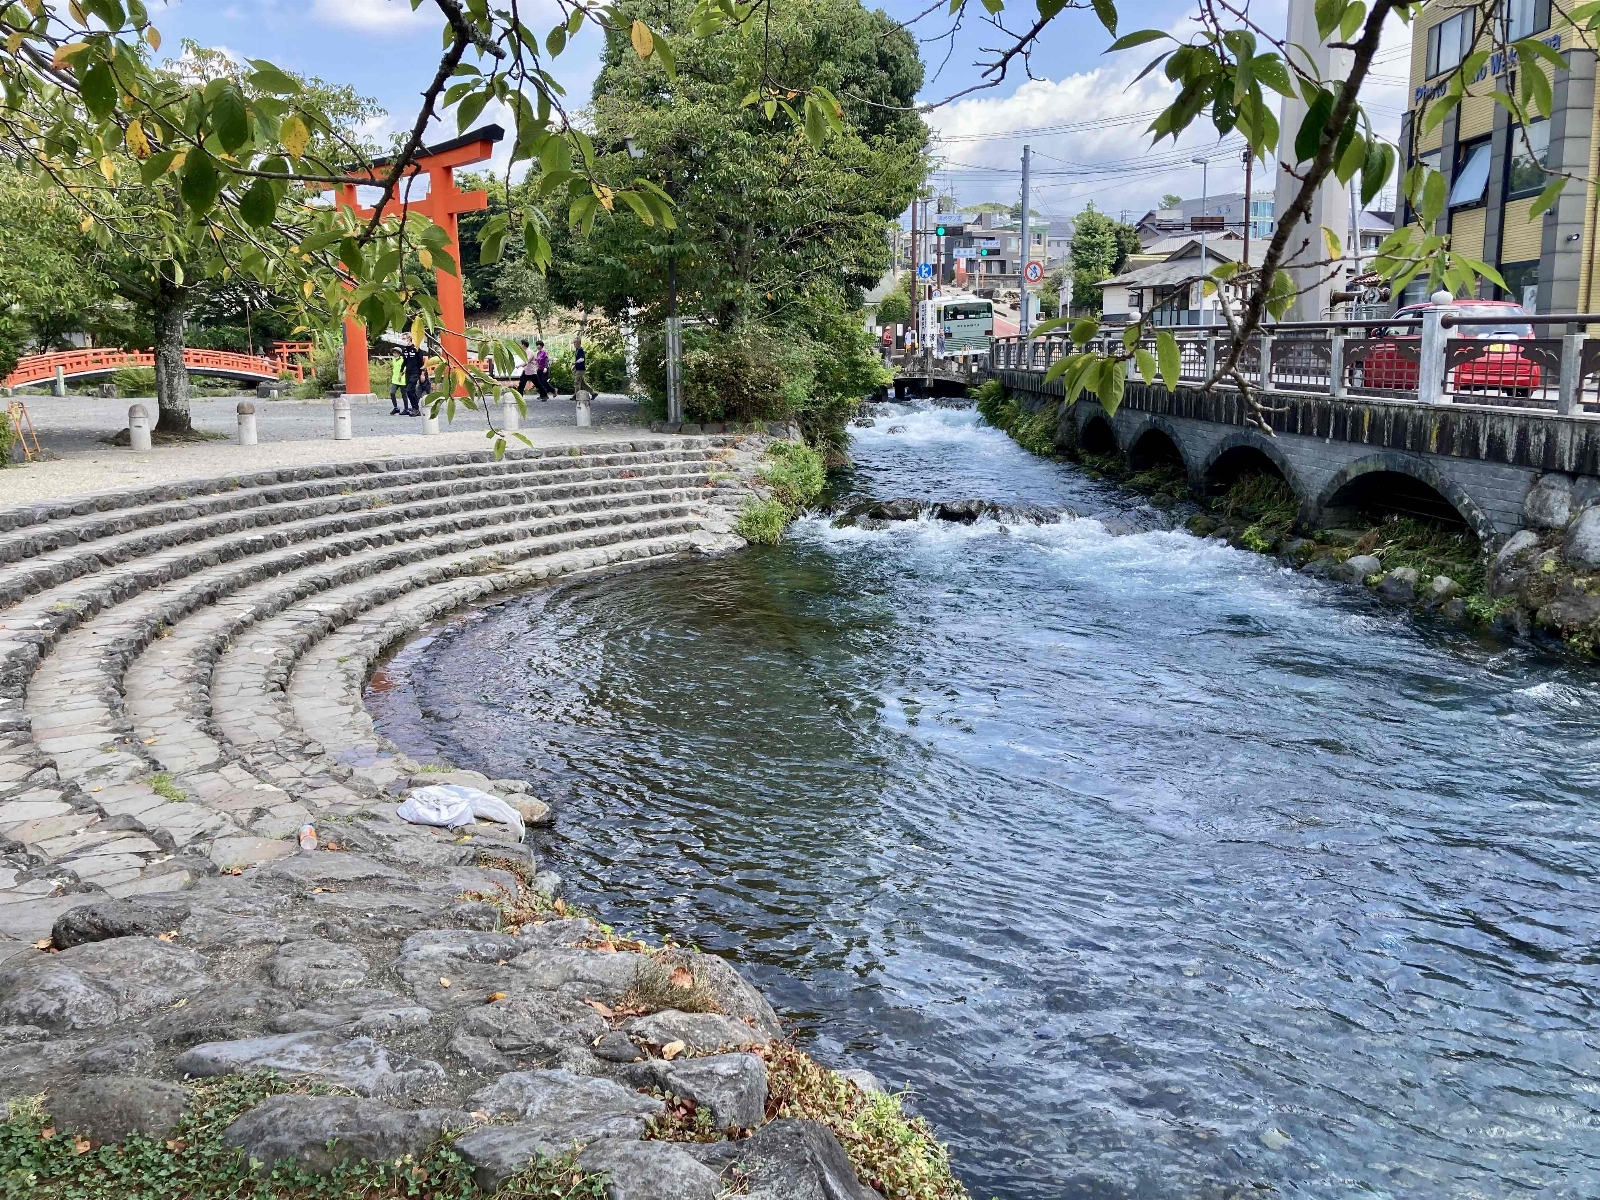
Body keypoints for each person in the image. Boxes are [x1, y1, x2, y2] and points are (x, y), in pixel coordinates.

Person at [399, 338, 425, 416]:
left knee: (409, 389)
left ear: (409, 339)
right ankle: (415, 408)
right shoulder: (405, 350)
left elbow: (421, 362)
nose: (403, 340)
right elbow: (405, 362)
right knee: (410, 391)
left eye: (404, 338)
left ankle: (415, 408)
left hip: (416, 372)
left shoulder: (416, 349)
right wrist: (401, 372)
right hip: (408, 372)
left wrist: (422, 373)